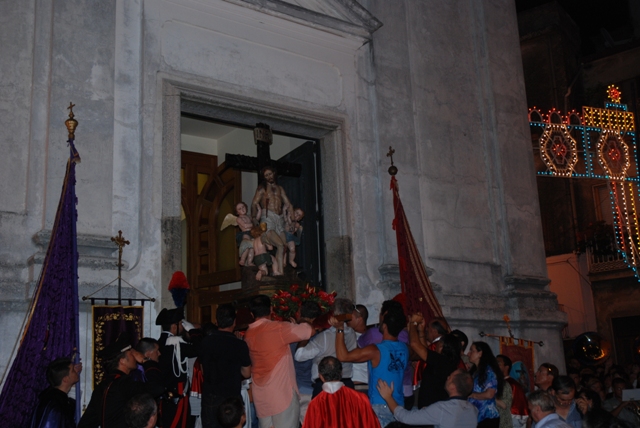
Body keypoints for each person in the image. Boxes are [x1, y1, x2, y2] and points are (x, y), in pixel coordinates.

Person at [333, 305, 409, 427]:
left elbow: (343, 356)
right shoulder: (405, 348)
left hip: (380, 405)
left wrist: (340, 329)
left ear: (385, 326)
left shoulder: (376, 350)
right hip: (399, 404)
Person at [243, 295, 313, 428]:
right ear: (271, 309)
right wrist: (301, 320)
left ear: (252, 313)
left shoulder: (248, 334)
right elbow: (309, 330)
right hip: (281, 394)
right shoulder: (278, 328)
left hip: (261, 396)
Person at [78, 333, 163, 428]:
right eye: (131, 353)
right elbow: (156, 388)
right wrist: (146, 360)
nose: (135, 356)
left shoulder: (102, 386)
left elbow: (86, 424)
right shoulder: (123, 383)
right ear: (122, 360)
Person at [199, 304, 252, 428]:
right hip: (231, 400)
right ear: (234, 322)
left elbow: (202, 370)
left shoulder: (205, 342)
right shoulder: (239, 345)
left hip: (210, 397)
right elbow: (247, 373)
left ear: (216, 321)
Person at [295, 298, 358, 397]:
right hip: (347, 383)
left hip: (325, 386)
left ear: (334, 314)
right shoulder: (352, 333)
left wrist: (306, 332)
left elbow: (299, 356)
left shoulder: (325, 336)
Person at [377, 369, 478, 428]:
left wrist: (388, 397)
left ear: (453, 387)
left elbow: (405, 417)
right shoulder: (473, 410)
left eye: (450, 377)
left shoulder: (443, 408)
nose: (447, 377)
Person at [358, 300, 413, 405]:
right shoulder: (406, 335)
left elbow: (353, 352)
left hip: (381, 395)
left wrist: (340, 330)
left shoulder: (373, 333)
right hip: (405, 391)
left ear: (384, 316)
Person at [302, 356, 380, 428]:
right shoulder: (360, 398)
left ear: (321, 377)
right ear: (341, 373)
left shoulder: (315, 404)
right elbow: (372, 424)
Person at [156, 307, 201, 428]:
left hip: (165, 396)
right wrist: (193, 331)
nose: (182, 327)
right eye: (181, 323)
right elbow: (199, 349)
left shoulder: (158, 343)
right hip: (178, 395)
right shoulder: (177, 343)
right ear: (174, 326)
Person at [408, 313, 462, 408]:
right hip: (435, 408)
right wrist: (421, 331)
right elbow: (425, 352)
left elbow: (414, 344)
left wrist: (413, 323)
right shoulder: (449, 362)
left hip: (431, 409)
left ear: (441, 346)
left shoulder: (441, 360)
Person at [251, 166, 292, 273]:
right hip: (268, 217)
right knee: (280, 245)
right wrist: (254, 218)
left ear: (274, 173)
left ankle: (279, 272)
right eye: (266, 175)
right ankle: (280, 274)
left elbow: (288, 204)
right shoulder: (262, 188)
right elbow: (254, 203)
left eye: (270, 174)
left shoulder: (280, 188)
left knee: (284, 246)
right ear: (264, 177)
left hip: (279, 218)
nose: (269, 176)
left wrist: (292, 220)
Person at [290, 300, 322, 424]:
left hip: (296, 389)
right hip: (310, 388)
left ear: (299, 314)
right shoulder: (321, 336)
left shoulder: (292, 334)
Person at [30, 357, 82, 428]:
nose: (76, 371)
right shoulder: (53, 405)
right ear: (65, 379)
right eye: (73, 370)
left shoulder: (57, 399)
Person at [467, 341, 504, 428]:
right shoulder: (475, 372)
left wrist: (472, 395)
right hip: (476, 416)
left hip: (487, 417)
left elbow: (490, 394)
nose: (468, 353)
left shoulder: (489, 371)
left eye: (472, 350)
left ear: (480, 353)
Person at [497, 354, 530, 428]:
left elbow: (513, 406)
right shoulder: (497, 382)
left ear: (506, 367)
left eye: (498, 363)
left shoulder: (512, 384)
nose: (495, 366)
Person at [235, 202, 255, 266]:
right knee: (246, 244)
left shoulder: (249, 216)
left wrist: (259, 210)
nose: (242, 209)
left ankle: (250, 261)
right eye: (240, 209)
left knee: (252, 247)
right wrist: (252, 225)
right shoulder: (239, 219)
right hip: (245, 233)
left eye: (243, 207)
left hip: (251, 233)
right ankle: (242, 259)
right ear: (237, 212)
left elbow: (256, 219)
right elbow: (245, 225)